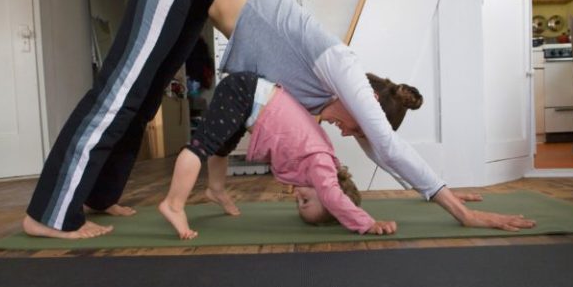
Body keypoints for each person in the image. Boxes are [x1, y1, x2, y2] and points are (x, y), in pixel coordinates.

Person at [22, 0, 535, 239]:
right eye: (349, 125)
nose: (336, 127)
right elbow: (386, 142)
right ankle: (47, 213)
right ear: (367, 104)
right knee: (121, 90)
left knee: (149, 92)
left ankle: (101, 193)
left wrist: (435, 192)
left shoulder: (340, 102)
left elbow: (382, 151)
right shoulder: (345, 68)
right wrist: (462, 212)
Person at [160, 72, 410, 239]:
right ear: (328, 190)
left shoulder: (320, 163)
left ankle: (215, 189)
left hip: (251, 101)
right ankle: (174, 204)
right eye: (306, 201)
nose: (298, 197)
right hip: (248, 94)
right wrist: (367, 223)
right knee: (201, 146)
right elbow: (333, 197)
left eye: (297, 203)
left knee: (222, 146)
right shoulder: (321, 164)